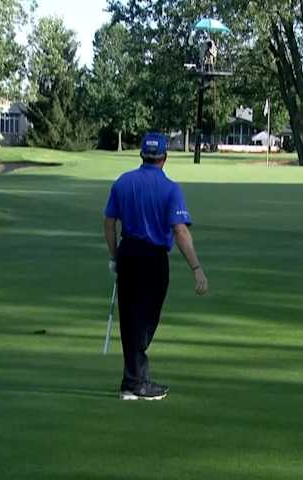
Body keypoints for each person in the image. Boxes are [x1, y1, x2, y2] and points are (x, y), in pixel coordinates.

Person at [103, 132, 209, 401]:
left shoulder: (123, 182)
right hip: (153, 258)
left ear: (142, 155)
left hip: (128, 253)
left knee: (131, 318)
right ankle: (136, 382)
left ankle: (132, 380)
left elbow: (109, 223)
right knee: (146, 320)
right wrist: (196, 268)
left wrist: (115, 256)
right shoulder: (171, 188)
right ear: (164, 157)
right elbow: (180, 231)